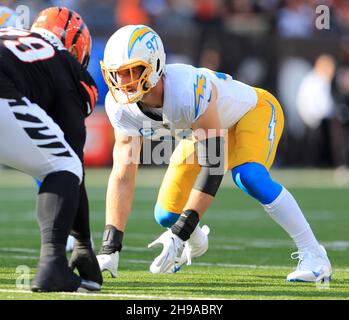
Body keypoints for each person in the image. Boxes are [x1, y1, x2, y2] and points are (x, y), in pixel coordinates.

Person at [97, 24, 332, 282]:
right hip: (200, 132)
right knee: (166, 214)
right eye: (117, 74)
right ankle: (197, 243)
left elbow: (214, 165)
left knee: (249, 176)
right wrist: (110, 247)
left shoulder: (186, 89)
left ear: (154, 65)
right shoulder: (120, 108)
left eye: (131, 71)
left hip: (252, 112)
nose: (123, 82)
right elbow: (122, 175)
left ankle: (314, 254)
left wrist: (182, 231)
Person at [0, 7, 102, 292]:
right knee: (63, 165)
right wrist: (82, 242)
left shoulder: (12, 35)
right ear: (74, 45)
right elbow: (72, 158)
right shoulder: (63, 61)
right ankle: (52, 267)